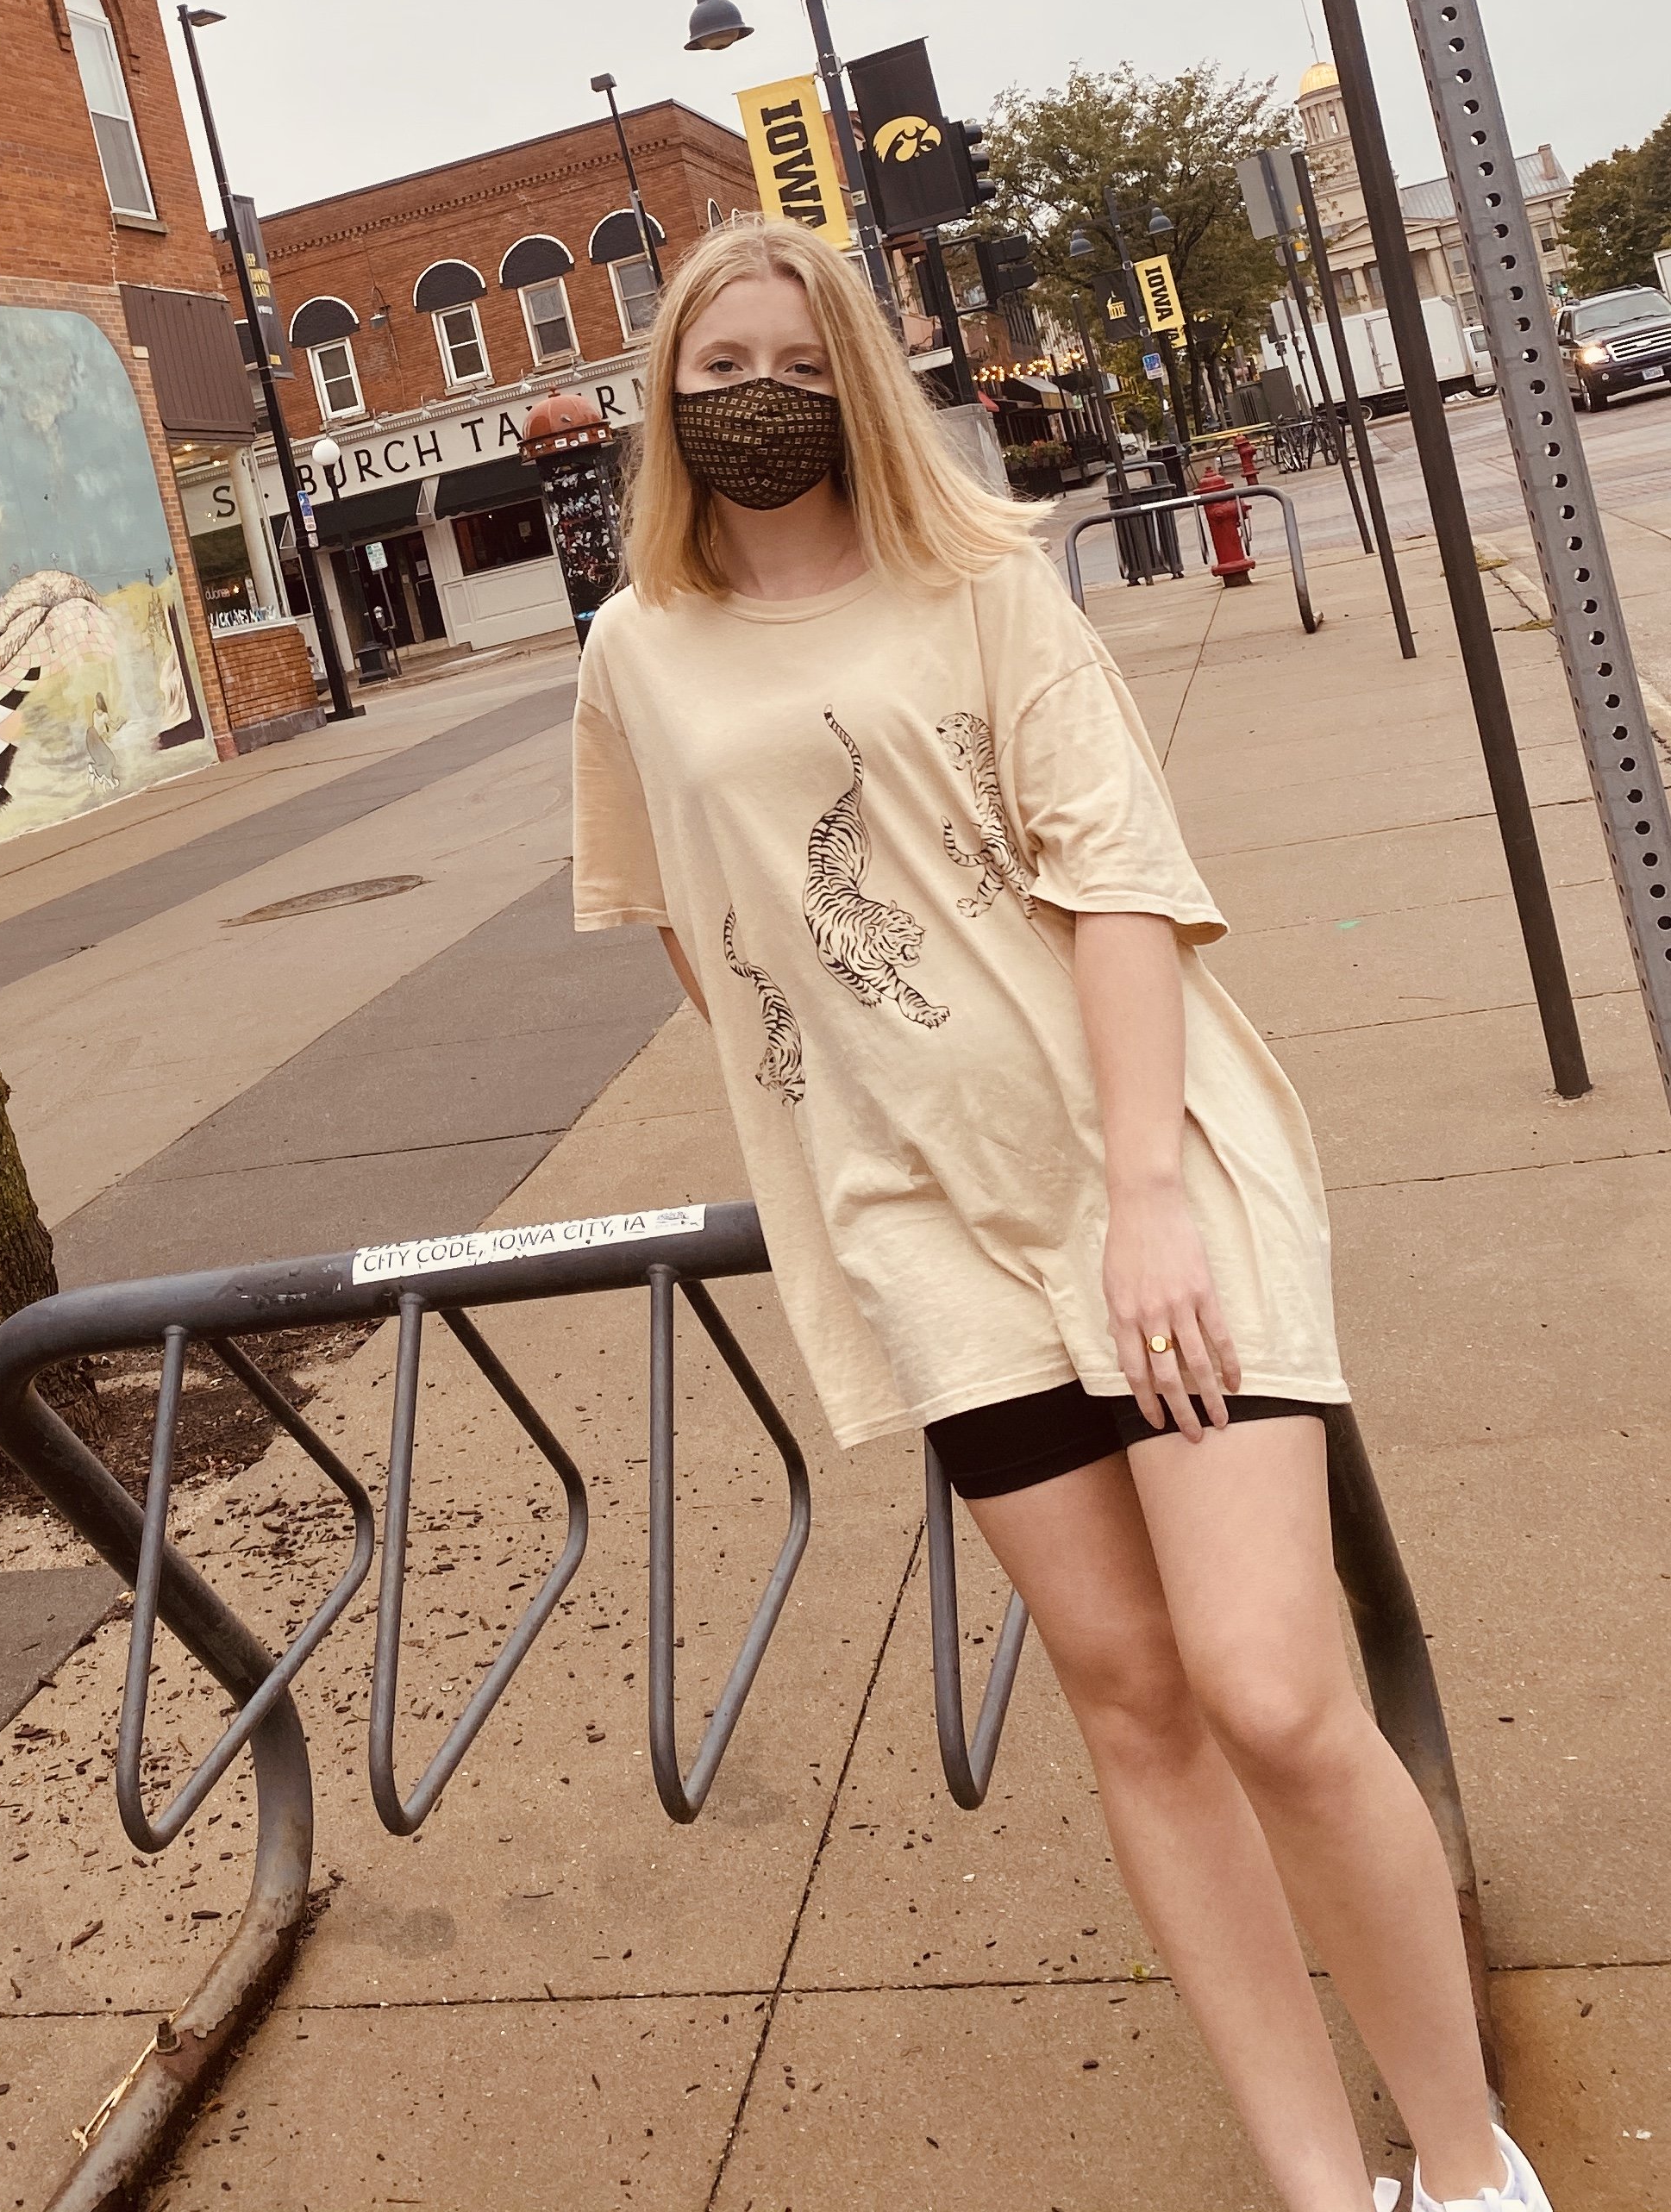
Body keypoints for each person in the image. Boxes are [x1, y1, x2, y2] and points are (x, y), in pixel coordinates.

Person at [569, 215, 1543, 2212]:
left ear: (852, 374)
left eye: (791, 355)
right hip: (923, 1231)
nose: (753, 392)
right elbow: (678, 912)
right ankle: (1313, 2181)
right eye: (713, 361)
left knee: (1272, 1686)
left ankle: (1464, 2166)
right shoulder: (631, 656)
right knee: (1128, 1697)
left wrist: (1149, 1197)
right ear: (665, 399)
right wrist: (834, 1095)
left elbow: (1122, 883)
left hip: (1142, 1168)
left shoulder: (985, 588)